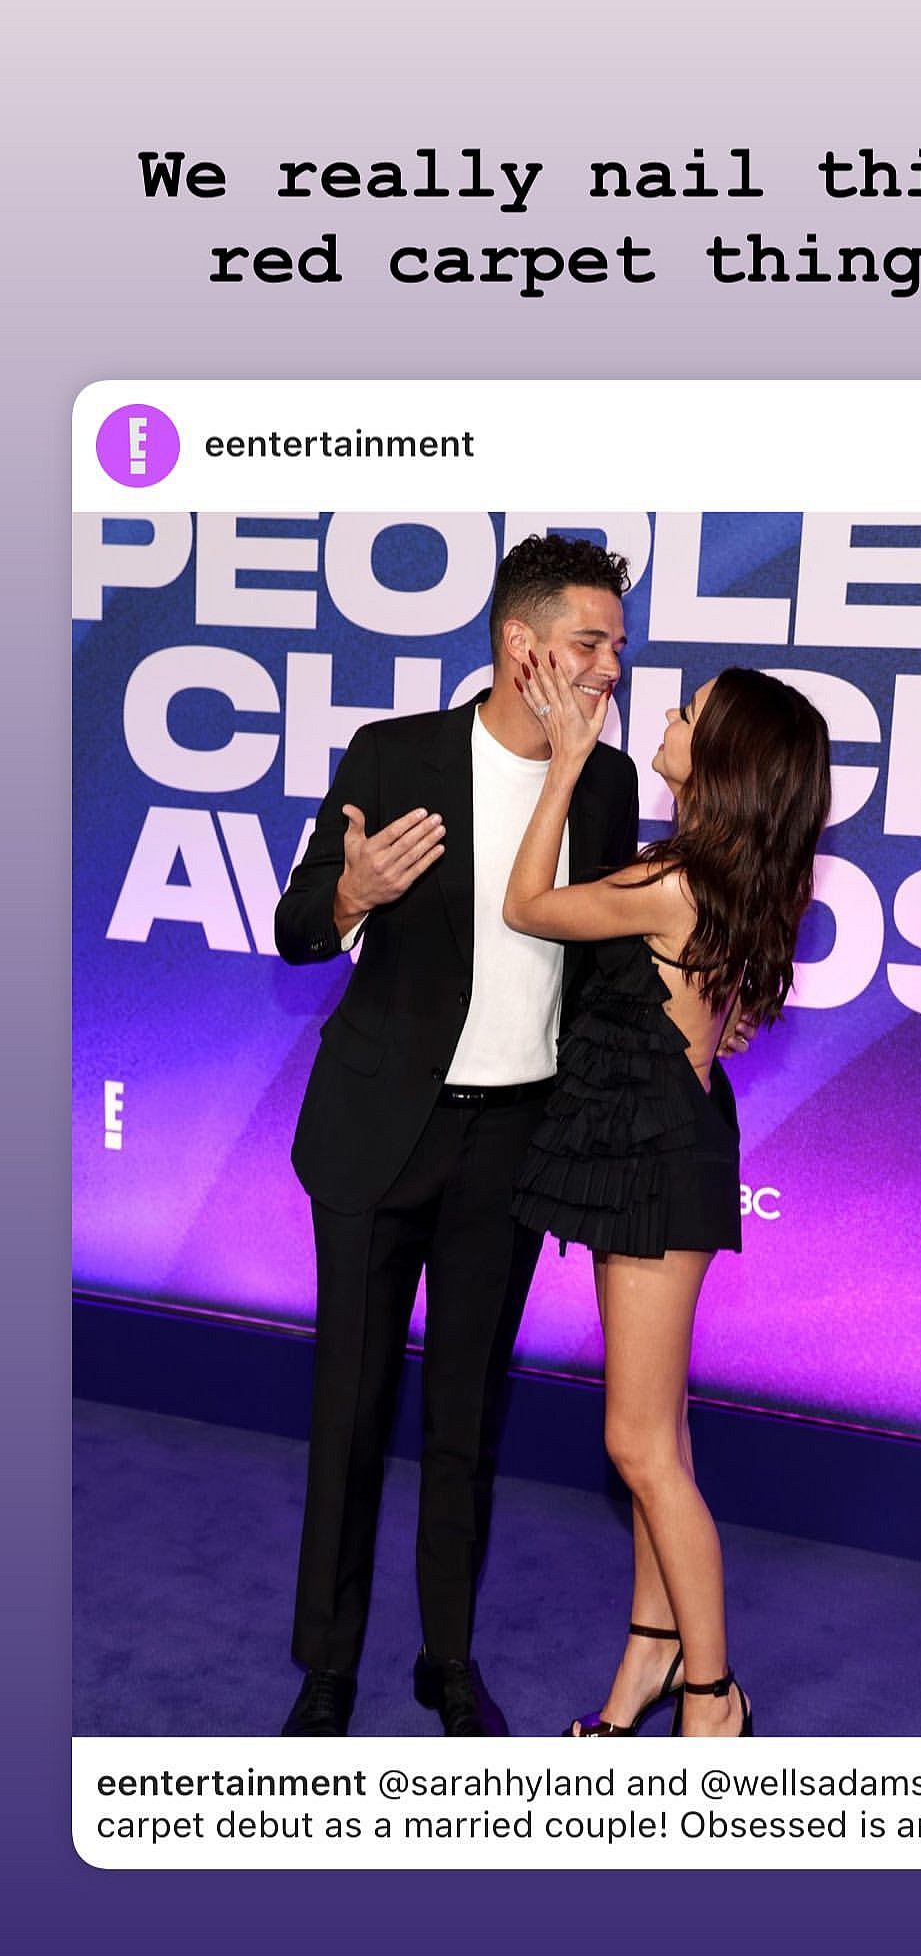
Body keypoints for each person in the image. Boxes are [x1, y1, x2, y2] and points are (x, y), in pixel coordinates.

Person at [274, 534, 638, 1736]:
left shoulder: (609, 782)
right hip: (384, 1129)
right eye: (589, 644)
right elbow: (295, 927)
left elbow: (611, 961)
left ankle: (446, 1657)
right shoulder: (396, 753)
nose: (607, 669)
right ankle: (326, 1667)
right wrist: (350, 893)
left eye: (616, 649)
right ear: (519, 643)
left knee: (467, 1415)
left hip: (516, 1142)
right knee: (352, 1405)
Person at [505, 657, 831, 1737]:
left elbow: (527, 904)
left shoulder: (672, 885)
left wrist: (560, 768)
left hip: (653, 1159)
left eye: (690, 713)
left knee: (639, 1444)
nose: (670, 716)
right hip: (654, 1147)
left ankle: (713, 1693)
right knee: (664, 1432)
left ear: (723, 759)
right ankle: (650, 1653)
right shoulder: (715, 877)